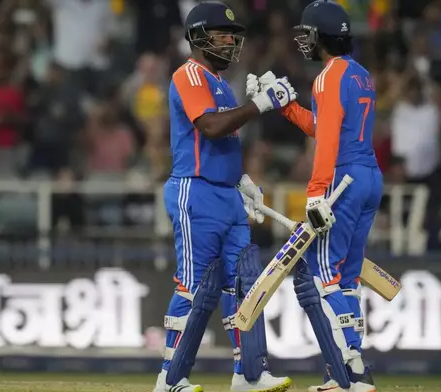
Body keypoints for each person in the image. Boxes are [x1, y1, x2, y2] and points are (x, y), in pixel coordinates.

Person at [153, 2, 297, 392]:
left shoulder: (218, 82)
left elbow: (223, 140)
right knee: (194, 286)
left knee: (244, 285)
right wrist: (260, 105)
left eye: (234, 36)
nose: (231, 42)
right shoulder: (190, 74)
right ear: (199, 37)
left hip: (226, 194)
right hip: (195, 191)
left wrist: (242, 178)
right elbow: (211, 127)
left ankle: (248, 373)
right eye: (223, 35)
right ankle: (169, 379)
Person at [247, 1, 380, 391]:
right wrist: (286, 106)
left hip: (342, 179)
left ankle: (350, 375)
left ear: (321, 36)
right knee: (348, 280)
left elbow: (326, 143)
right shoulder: (360, 74)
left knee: (325, 278)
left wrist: (315, 192)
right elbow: (323, 126)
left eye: (308, 33)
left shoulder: (326, 77)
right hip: (369, 176)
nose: (304, 41)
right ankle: (347, 372)